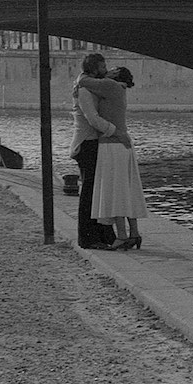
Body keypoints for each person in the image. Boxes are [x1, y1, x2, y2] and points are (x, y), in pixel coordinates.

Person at [78, 66, 149, 251]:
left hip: (111, 144)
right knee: (127, 190)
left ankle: (122, 236)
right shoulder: (120, 90)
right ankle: (134, 233)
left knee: (115, 191)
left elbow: (83, 80)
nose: (108, 70)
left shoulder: (110, 85)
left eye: (112, 69)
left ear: (117, 75)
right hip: (123, 144)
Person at [70, 53, 117, 250]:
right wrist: (115, 131)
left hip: (93, 144)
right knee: (89, 193)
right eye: (103, 66)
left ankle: (103, 235)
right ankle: (87, 238)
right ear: (94, 68)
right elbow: (92, 118)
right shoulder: (84, 91)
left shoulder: (90, 87)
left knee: (97, 192)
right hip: (86, 144)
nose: (105, 69)